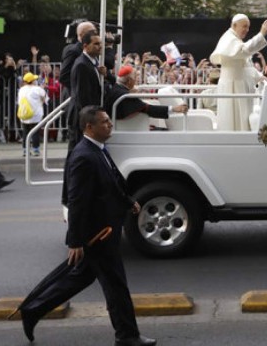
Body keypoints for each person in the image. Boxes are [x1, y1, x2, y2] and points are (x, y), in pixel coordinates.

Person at [20, 106, 156, 346]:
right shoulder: (83, 156)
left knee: (79, 278)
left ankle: (33, 309)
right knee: (116, 286)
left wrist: (128, 202)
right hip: (98, 235)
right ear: (89, 127)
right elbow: (78, 202)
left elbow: (112, 181)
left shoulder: (98, 150)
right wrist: (75, 241)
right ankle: (127, 336)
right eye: (104, 122)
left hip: (105, 231)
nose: (110, 124)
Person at [210, 13, 267, 130]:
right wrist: (261, 34)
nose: (247, 30)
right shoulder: (228, 38)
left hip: (240, 86)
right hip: (232, 87)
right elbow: (244, 51)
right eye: (244, 26)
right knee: (233, 122)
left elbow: (245, 66)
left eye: (248, 27)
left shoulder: (236, 39)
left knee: (243, 120)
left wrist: (259, 76)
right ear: (234, 25)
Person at [67, 30, 106, 152]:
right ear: (85, 46)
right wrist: (91, 119)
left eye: (100, 43)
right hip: (82, 118)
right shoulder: (81, 65)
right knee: (78, 152)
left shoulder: (92, 62)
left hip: (87, 116)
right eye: (96, 44)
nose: (100, 46)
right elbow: (83, 97)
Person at [104, 65, 187, 121]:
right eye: (135, 77)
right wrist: (174, 109)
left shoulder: (116, 88)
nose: (136, 80)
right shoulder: (126, 96)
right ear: (129, 81)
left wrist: (130, 90)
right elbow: (148, 109)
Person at [17, 72, 48, 156]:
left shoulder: (21, 90)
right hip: (35, 115)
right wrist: (42, 88)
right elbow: (45, 99)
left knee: (25, 132)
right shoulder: (37, 89)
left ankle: (25, 150)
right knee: (35, 132)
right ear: (32, 81)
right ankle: (36, 149)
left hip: (24, 114)